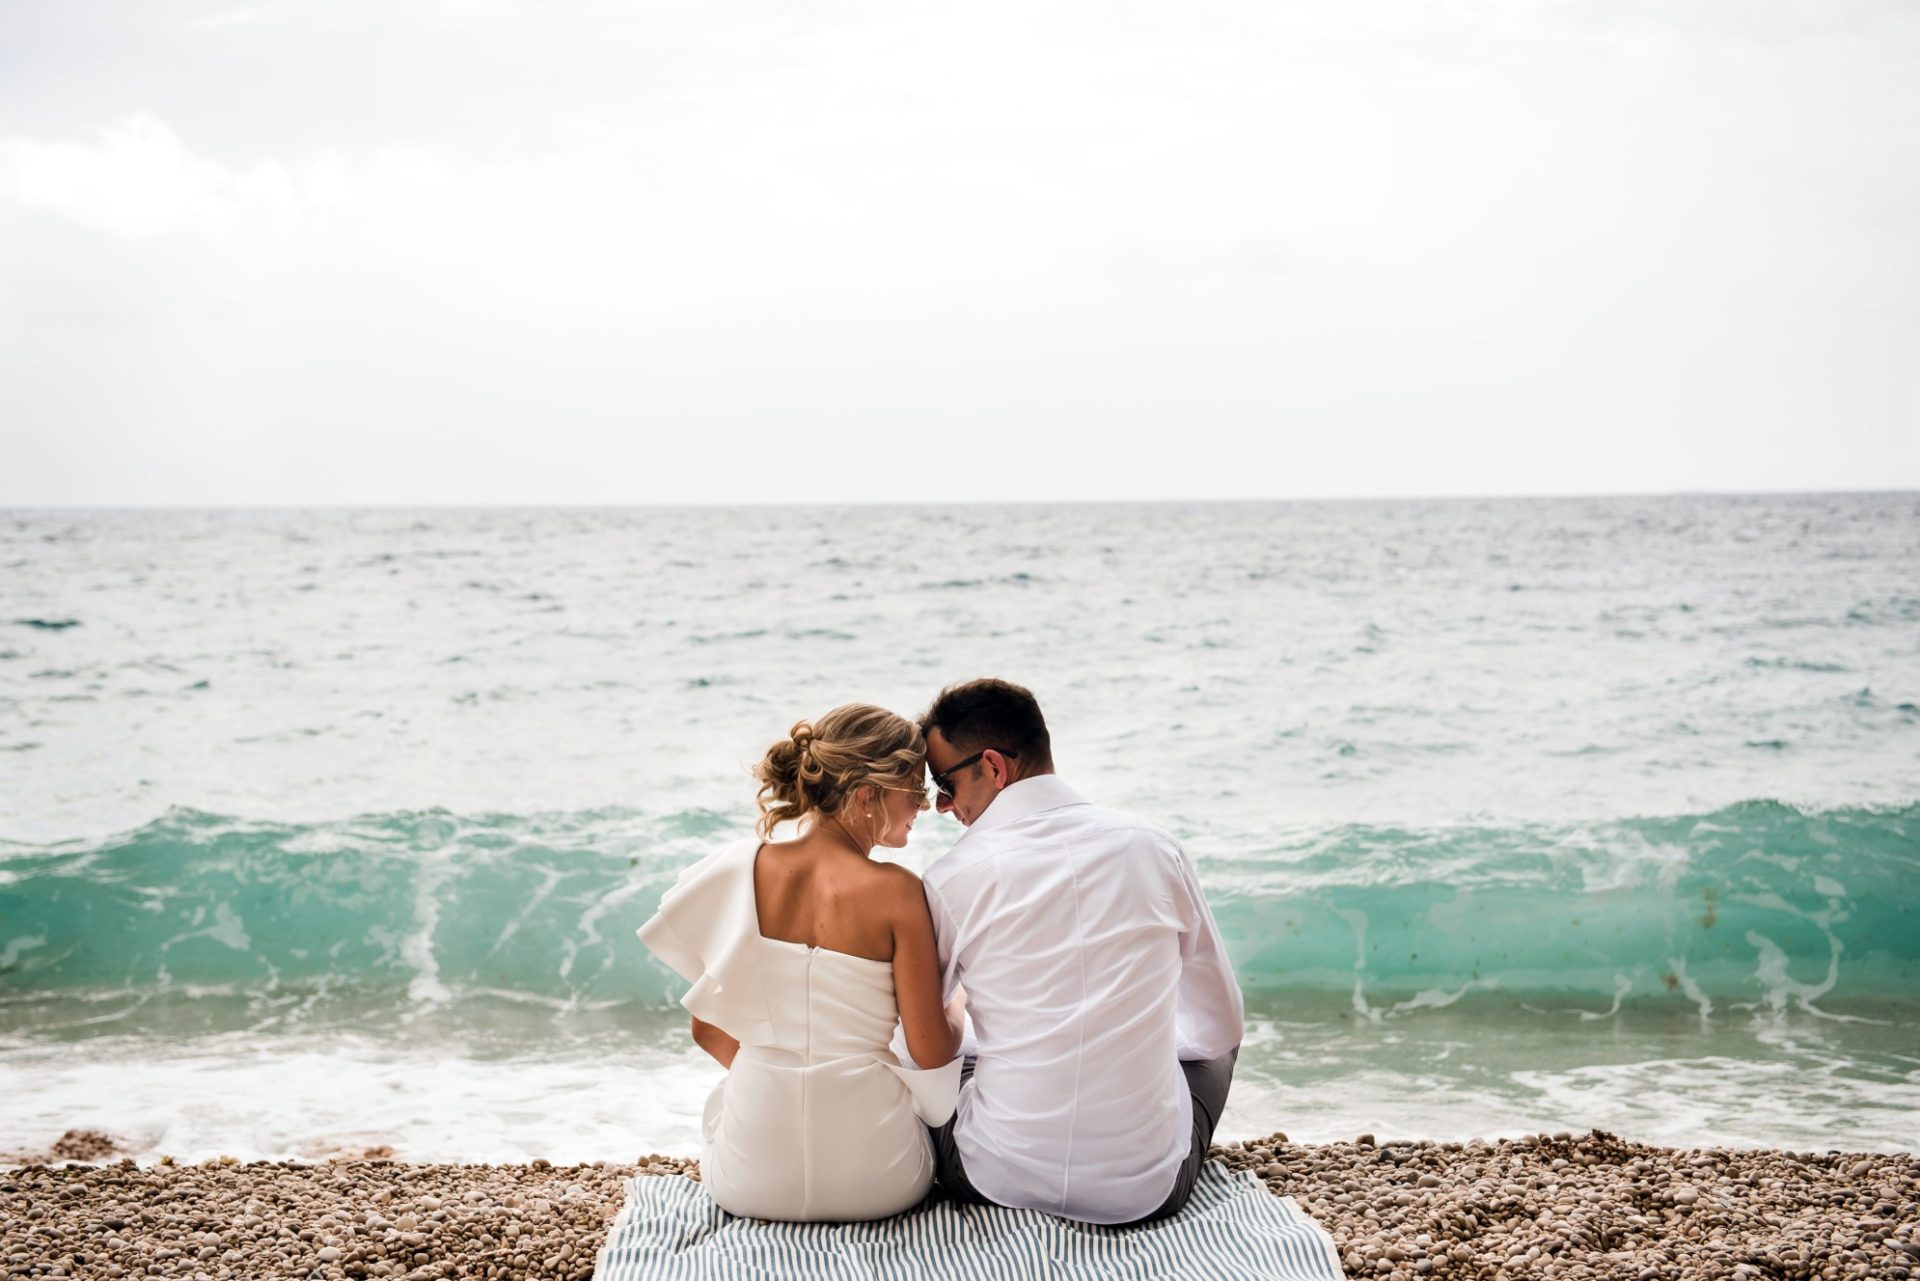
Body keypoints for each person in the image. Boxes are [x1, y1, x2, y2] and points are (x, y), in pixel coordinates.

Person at [917, 678, 1244, 1226]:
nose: (944, 807)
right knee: (1217, 1050)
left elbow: (916, 1042)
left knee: (948, 1053)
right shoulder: (1155, 847)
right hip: (1145, 1190)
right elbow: (1218, 1029)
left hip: (990, 1176)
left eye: (944, 785)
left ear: (995, 767)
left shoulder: (951, 878)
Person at [636, 704, 963, 1221]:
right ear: (865, 796)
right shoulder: (899, 893)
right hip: (879, 1180)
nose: (922, 807)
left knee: (731, 1105)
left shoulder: (740, 870)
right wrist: (960, 1007)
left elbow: (707, 1028)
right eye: (915, 792)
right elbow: (930, 1052)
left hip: (750, 1181)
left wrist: (775, 1074)